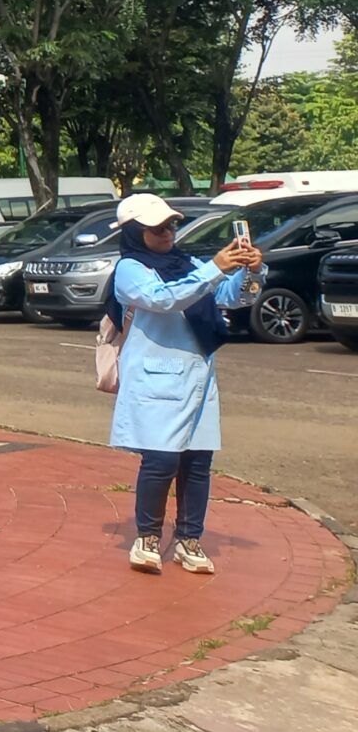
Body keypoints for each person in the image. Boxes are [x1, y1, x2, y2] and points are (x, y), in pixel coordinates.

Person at [109, 192, 259, 576]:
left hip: (197, 375)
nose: (167, 233)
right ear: (134, 232)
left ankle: (189, 540)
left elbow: (232, 297)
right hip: (155, 376)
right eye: (157, 228)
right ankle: (147, 537)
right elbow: (163, 299)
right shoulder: (129, 268)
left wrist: (250, 271)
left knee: (197, 461)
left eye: (172, 225)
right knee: (161, 460)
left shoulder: (188, 263)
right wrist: (214, 269)